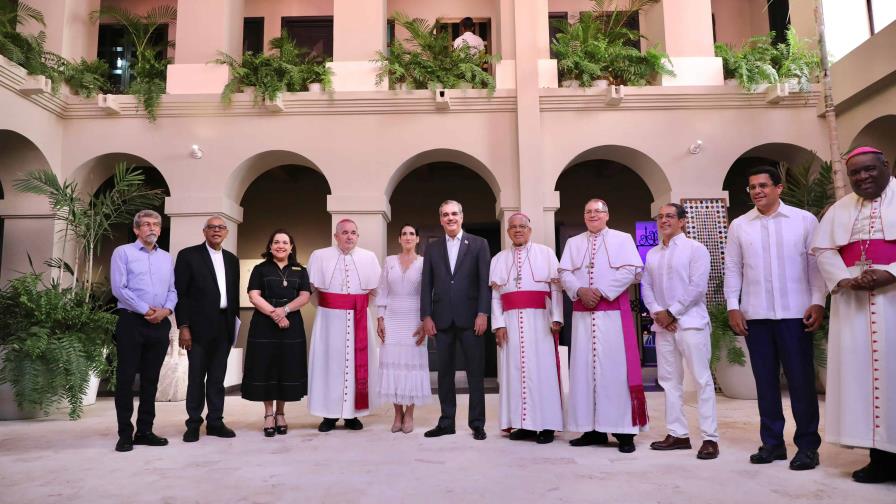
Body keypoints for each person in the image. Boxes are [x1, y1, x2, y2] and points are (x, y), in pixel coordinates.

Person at [724, 166, 825, 470]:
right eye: (752, 187)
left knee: (801, 384)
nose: (757, 191)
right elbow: (733, 268)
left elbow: (815, 266)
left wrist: (818, 302)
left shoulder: (804, 221)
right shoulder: (740, 225)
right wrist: (733, 305)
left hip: (796, 315)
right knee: (765, 384)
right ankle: (772, 444)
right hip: (757, 317)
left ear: (778, 188)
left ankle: (808, 446)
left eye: (763, 186)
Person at [811, 146, 896, 483]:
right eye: (855, 173)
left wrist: (891, 271)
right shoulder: (841, 208)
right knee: (864, 380)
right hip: (855, 303)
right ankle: (881, 459)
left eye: (869, 170)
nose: (862, 177)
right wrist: (845, 278)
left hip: (892, 300)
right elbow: (823, 250)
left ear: (885, 166)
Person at [559, 198, 646, 453]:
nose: (592, 215)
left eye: (597, 211)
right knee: (584, 371)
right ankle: (591, 429)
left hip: (612, 315)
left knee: (615, 371)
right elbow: (564, 272)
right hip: (583, 316)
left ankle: (623, 432)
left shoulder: (622, 238)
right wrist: (579, 290)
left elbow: (631, 269)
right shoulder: (574, 243)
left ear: (607, 215)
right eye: (588, 212)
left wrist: (601, 291)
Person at [641, 203, 719, 460]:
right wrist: (658, 313)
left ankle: (710, 438)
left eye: (670, 216)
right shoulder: (652, 254)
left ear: (682, 221)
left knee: (701, 380)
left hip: (691, 323)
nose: (664, 220)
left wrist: (672, 312)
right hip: (663, 327)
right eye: (660, 217)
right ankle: (678, 434)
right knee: (669, 382)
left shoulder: (695, 249)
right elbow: (646, 287)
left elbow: (697, 287)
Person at [490, 213, 564, 444]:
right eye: (513, 227)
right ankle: (523, 424)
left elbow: (556, 290)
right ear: (508, 231)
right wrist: (498, 324)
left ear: (529, 230)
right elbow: (495, 296)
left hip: (539, 320)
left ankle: (546, 425)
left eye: (522, 226)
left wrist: (557, 318)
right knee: (514, 373)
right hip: (510, 321)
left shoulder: (546, 253)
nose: (518, 230)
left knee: (543, 372)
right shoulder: (499, 259)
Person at [421, 200, 491, 441]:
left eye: (454, 214)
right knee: (445, 375)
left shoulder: (479, 244)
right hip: (441, 320)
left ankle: (477, 424)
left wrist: (483, 313)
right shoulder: (432, 248)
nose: (450, 218)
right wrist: (426, 315)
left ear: (462, 216)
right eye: (445, 215)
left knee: (475, 374)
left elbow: (485, 283)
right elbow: (426, 284)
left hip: (472, 319)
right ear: (440, 219)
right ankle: (446, 422)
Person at [109, 209, 177, 453]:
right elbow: (119, 288)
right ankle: (125, 434)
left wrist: (166, 311)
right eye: (146, 224)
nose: (152, 228)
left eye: (156, 225)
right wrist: (146, 310)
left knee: (151, 379)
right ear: (137, 229)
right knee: (126, 379)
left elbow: (173, 290)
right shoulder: (123, 253)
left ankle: (145, 431)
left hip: (160, 324)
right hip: (131, 322)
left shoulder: (167, 258)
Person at [308, 219, 382, 432]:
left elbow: (377, 291)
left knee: (356, 365)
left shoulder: (368, 257)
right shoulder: (319, 256)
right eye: (345, 232)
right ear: (336, 236)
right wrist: (331, 306)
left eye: (353, 233)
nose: (349, 236)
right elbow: (311, 291)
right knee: (328, 364)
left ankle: (353, 415)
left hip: (359, 316)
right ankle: (329, 415)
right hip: (329, 320)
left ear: (357, 236)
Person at [174, 216, 240, 442]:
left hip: (224, 326)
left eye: (221, 228)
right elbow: (180, 294)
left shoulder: (232, 260)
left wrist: (235, 325)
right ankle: (193, 423)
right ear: (204, 232)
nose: (216, 231)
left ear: (226, 233)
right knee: (196, 378)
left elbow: (234, 294)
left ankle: (215, 422)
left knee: (217, 379)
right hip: (198, 328)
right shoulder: (188, 255)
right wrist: (184, 326)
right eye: (211, 227)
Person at [241, 229, 311, 437]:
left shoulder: (300, 270)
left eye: (285, 242)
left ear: (291, 247)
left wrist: (285, 311)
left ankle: (281, 413)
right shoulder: (260, 269)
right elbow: (253, 295)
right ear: (270, 246)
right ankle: (268, 414)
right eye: (276, 242)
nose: (280, 245)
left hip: (292, 323)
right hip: (264, 323)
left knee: (286, 367)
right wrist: (275, 314)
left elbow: (305, 295)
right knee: (266, 367)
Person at [376, 224, 432, 434]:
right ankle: (397, 414)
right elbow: (382, 290)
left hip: (414, 318)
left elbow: (428, 293)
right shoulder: (389, 261)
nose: (408, 237)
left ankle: (409, 414)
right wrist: (380, 318)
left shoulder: (425, 263)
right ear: (399, 239)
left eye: (412, 234)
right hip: (392, 317)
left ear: (418, 239)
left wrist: (425, 320)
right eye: (404, 234)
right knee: (393, 366)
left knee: (412, 365)